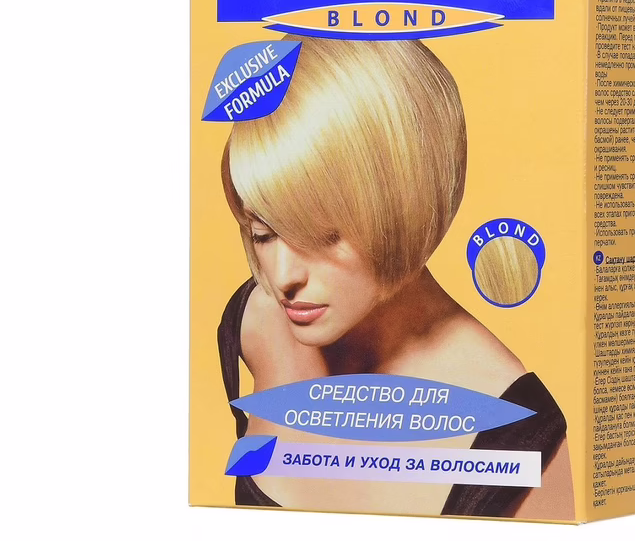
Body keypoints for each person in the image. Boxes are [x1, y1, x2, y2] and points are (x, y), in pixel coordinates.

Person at [217, 37, 574, 519]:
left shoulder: (514, 435)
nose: (282, 277)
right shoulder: (253, 322)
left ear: (404, 206)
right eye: (263, 233)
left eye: (321, 236)